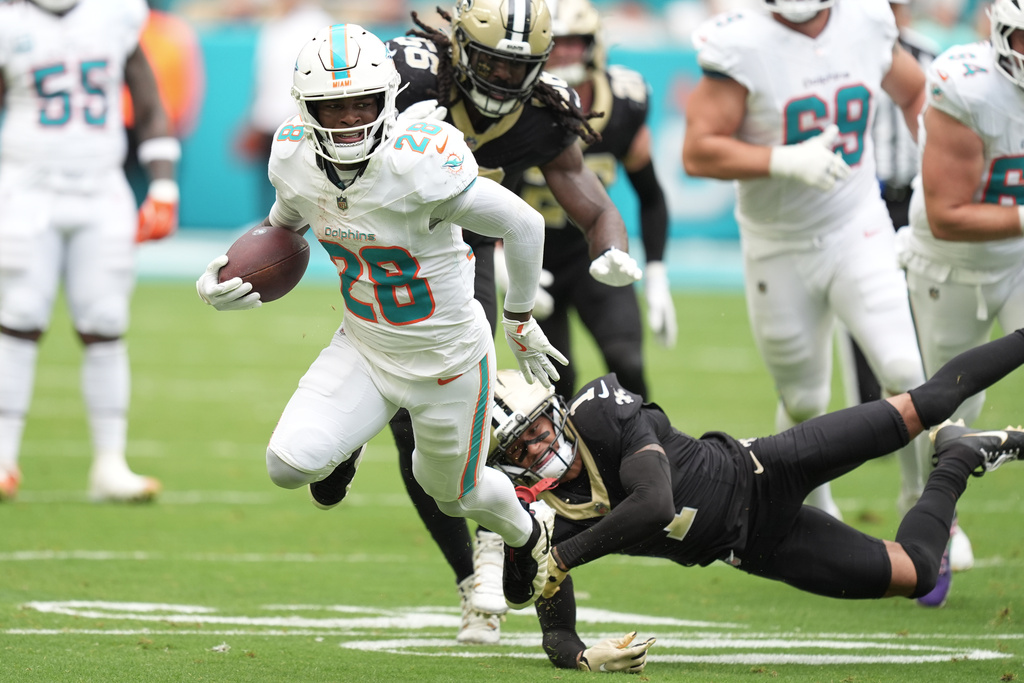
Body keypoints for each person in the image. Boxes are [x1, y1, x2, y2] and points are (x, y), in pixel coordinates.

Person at [195, 23, 565, 614]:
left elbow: (525, 224)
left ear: (388, 98)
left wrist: (519, 318)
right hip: (364, 346)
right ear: (306, 108)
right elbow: (283, 229)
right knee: (288, 466)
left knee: (453, 494)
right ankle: (351, 443)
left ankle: (528, 534)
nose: (347, 119)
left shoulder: (421, 162)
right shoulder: (294, 155)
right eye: (331, 106)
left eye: (361, 103)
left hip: (447, 362)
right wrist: (226, 281)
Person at [318, 0, 643, 645]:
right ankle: (346, 436)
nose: (500, 78)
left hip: (464, 257)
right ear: (460, 47)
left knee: (437, 426)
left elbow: (591, 199)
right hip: (378, 248)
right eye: (490, 60)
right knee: (381, 396)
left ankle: (484, 567)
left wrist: (611, 248)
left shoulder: (543, 109)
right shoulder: (407, 71)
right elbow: (325, 115)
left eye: (515, 65)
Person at [485, 327, 1024, 671]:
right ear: (509, 463)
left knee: (923, 404)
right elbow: (547, 620)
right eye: (521, 446)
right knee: (918, 573)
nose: (538, 446)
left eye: (537, 429)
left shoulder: (599, 416)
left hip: (766, 469)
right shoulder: (548, 517)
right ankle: (959, 457)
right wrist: (584, 658)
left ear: (553, 411)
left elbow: (654, 504)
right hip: (754, 545)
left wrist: (558, 558)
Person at [681, 0, 931, 540]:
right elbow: (698, 152)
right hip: (778, 243)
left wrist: (934, 174)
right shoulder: (740, 40)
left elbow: (914, 93)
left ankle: (926, 507)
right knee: (804, 400)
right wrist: (781, 160)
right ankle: (817, 507)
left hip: (855, 221)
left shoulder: (865, 20)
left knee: (904, 366)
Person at [0, 0, 179, 502]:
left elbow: (146, 100)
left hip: (102, 190)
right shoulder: (9, 21)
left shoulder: (114, 13)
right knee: (19, 314)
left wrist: (163, 185)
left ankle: (109, 464)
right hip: (26, 190)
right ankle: (3, 456)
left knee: (105, 322)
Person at [896, 0, 1024, 575]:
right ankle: (933, 513)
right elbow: (948, 213)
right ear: (1001, 34)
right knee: (951, 404)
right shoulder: (966, 87)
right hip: (952, 262)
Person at [514, 0, 675, 402]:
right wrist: (503, 261)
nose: (565, 52)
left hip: (593, 251)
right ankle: (573, 467)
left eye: (574, 41)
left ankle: (650, 454)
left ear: (593, 44)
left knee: (627, 362)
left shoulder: (624, 101)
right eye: (555, 42)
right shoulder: (514, 104)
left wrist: (656, 274)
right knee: (556, 383)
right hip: (530, 257)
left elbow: (650, 194)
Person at [234, 0, 334, 217]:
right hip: (269, 123)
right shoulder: (272, 26)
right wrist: (253, 121)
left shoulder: (319, 25)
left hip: (303, 123)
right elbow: (264, 80)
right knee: (270, 185)